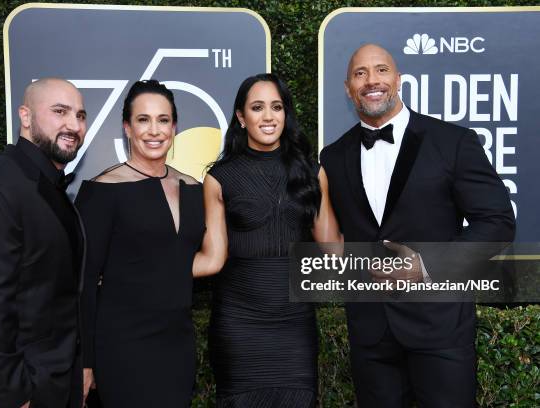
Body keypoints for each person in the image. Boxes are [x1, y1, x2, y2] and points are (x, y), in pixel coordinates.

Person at [319, 44, 515, 407]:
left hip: (440, 328)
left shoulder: (452, 142)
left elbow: (498, 222)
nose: (371, 80)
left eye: (381, 70)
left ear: (398, 80)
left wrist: (426, 265)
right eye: (360, 73)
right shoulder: (333, 156)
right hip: (371, 333)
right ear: (348, 88)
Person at [194, 73, 341, 407]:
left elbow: (332, 249)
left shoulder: (312, 172)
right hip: (239, 324)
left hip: (294, 324)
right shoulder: (218, 178)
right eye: (257, 107)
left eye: (276, 107)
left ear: (286, 114)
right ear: (241, 118)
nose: (269, 116)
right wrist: (143, 270)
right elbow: (214, 258)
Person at [0, 78, 87, 408]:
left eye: (80, 115)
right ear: (25, 117)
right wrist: (15, 395)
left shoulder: (49, 190)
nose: (73, 125)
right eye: (59, 111)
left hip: (49, 384)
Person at [75, 80, 205, 407]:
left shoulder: (193, 188)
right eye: (143, 120)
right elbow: (83, 282)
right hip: (122, 347)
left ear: (174, 127)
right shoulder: (102, 190)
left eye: (163, 120)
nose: (154, 130)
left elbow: (189, 261)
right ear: (127, 128)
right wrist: (85, 362)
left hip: (178, 346)